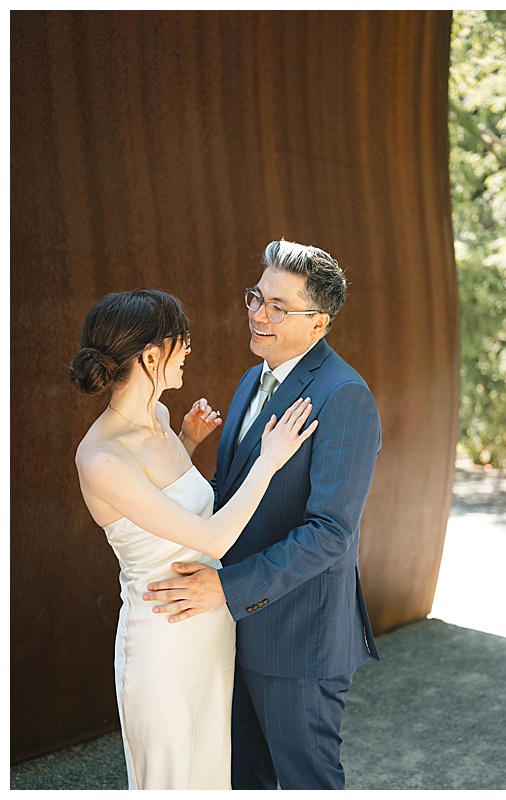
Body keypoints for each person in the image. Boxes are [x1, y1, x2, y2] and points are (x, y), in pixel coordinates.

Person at [141, 239, 382, 790]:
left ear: (319, 322)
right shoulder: (255, 378)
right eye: (256, 297)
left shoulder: (344, 397)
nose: (258, 314)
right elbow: (238, 496)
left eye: (279, 306)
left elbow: (330, 534)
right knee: (245, 777)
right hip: (236, 629)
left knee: (305, 781)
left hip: (300, 635)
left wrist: (225, 588)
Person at [71, 288, 319, 789]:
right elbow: (213, 538)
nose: (188, 349)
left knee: (210, 777)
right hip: (162, 641)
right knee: (169, 781)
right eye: (181, 341)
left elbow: (160, 510)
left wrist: (185, 444)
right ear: (149, 356)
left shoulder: (162, 420)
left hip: (210, 630)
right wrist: (269, 460)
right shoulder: (100, 458)